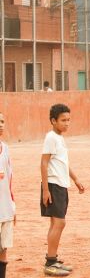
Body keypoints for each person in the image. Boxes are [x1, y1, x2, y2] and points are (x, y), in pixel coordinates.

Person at [40, 104, 85, 277]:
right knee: (59, 223)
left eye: (68, 120)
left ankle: (53, 259)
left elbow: (63, 163)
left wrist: (75, 179)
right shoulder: (51, 137)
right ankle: (50, 262)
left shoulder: (59, 138)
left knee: (56, 223)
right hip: (53, 186)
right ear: (53, 121)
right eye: (63, 120)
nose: (67, 123)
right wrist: (46, 190)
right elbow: (43, 163)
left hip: (61, 185)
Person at [0, 112, 16, 278]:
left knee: (3, 249)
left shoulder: (6, 148)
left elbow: (10, 180)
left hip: (5, 210)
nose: (1, 125)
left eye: (3, 121)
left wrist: (12, 207)